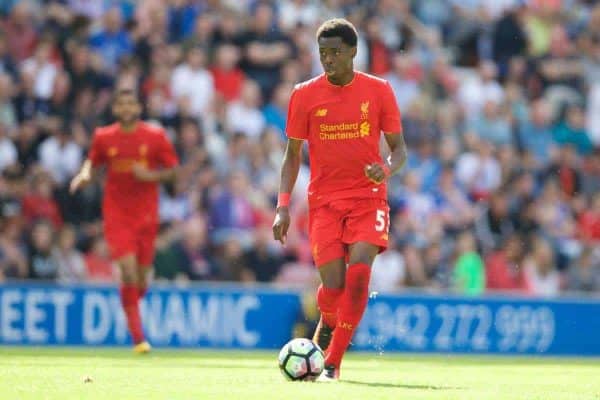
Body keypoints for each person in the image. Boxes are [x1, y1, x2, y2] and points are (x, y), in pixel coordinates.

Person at [272, 18, 407, 381]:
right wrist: (283, 206)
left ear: (352, 52)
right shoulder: (304, 94)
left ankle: (332, 362)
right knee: (332, 288)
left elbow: (399, 150)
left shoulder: (378, 91)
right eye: (322, 53)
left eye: (334, 53)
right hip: (325, 203)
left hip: (368, 198)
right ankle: (323, 338)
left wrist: (387, 169)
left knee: (360, 273)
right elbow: (291, 155)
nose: (327, 59)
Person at [70, 88, 178, 353]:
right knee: (127, 271)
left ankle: (130, 304)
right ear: (116, 109)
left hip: (147, 216)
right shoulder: (104, 137)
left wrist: (150, 177)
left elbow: (174, 172)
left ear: (138, 108)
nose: (127, 108)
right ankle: (138, 337)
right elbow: (91, 163)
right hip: (117, 214)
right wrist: (83, 175)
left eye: (131, 103)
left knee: (140, 279)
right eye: (122, 104)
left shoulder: (155, 136)